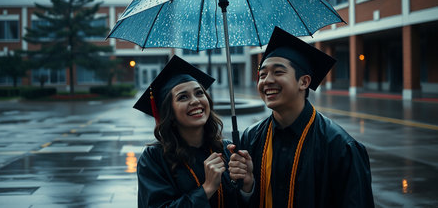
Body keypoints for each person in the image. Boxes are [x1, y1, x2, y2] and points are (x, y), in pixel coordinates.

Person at [228, 26, 374, 208]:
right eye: (262, 74)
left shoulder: (340, 147)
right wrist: (247, 187)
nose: (266, 81)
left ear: (304, 82)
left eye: (278, 72)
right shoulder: (251, 138)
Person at [135, 55, 241, 208]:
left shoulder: (227, 149)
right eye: (183, 97)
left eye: (199, 93)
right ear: (169, 113)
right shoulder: (154, 159)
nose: (195, 101)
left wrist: (247, 186)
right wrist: (207, 188)